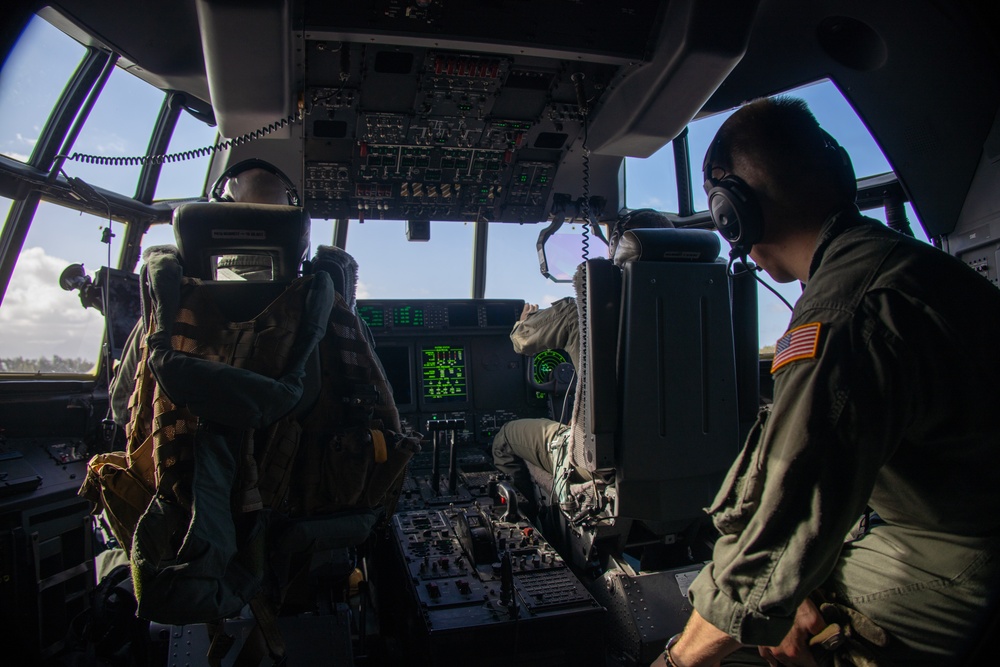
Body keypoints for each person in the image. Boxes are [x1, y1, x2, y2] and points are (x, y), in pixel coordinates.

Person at [653, 97, 1000, 667]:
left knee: (775, 624)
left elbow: (778, 527)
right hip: (945, 520)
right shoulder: (902, 261)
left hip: (966, 554)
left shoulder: (841, 315)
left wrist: (675, 660)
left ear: (732, 212)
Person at [493, 209, 674, 507]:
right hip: (691, 452)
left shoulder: (585, 308)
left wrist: (522, 322)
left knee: (505, 437)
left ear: (617, 249)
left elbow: (522, 342)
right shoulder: (716, 300)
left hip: (602, 461)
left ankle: (530, 524)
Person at [109, 160, 296, 427]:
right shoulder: (318, 303)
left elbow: (123, 407)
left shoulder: (172, 307)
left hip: (182, 460)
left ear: (219, 215)